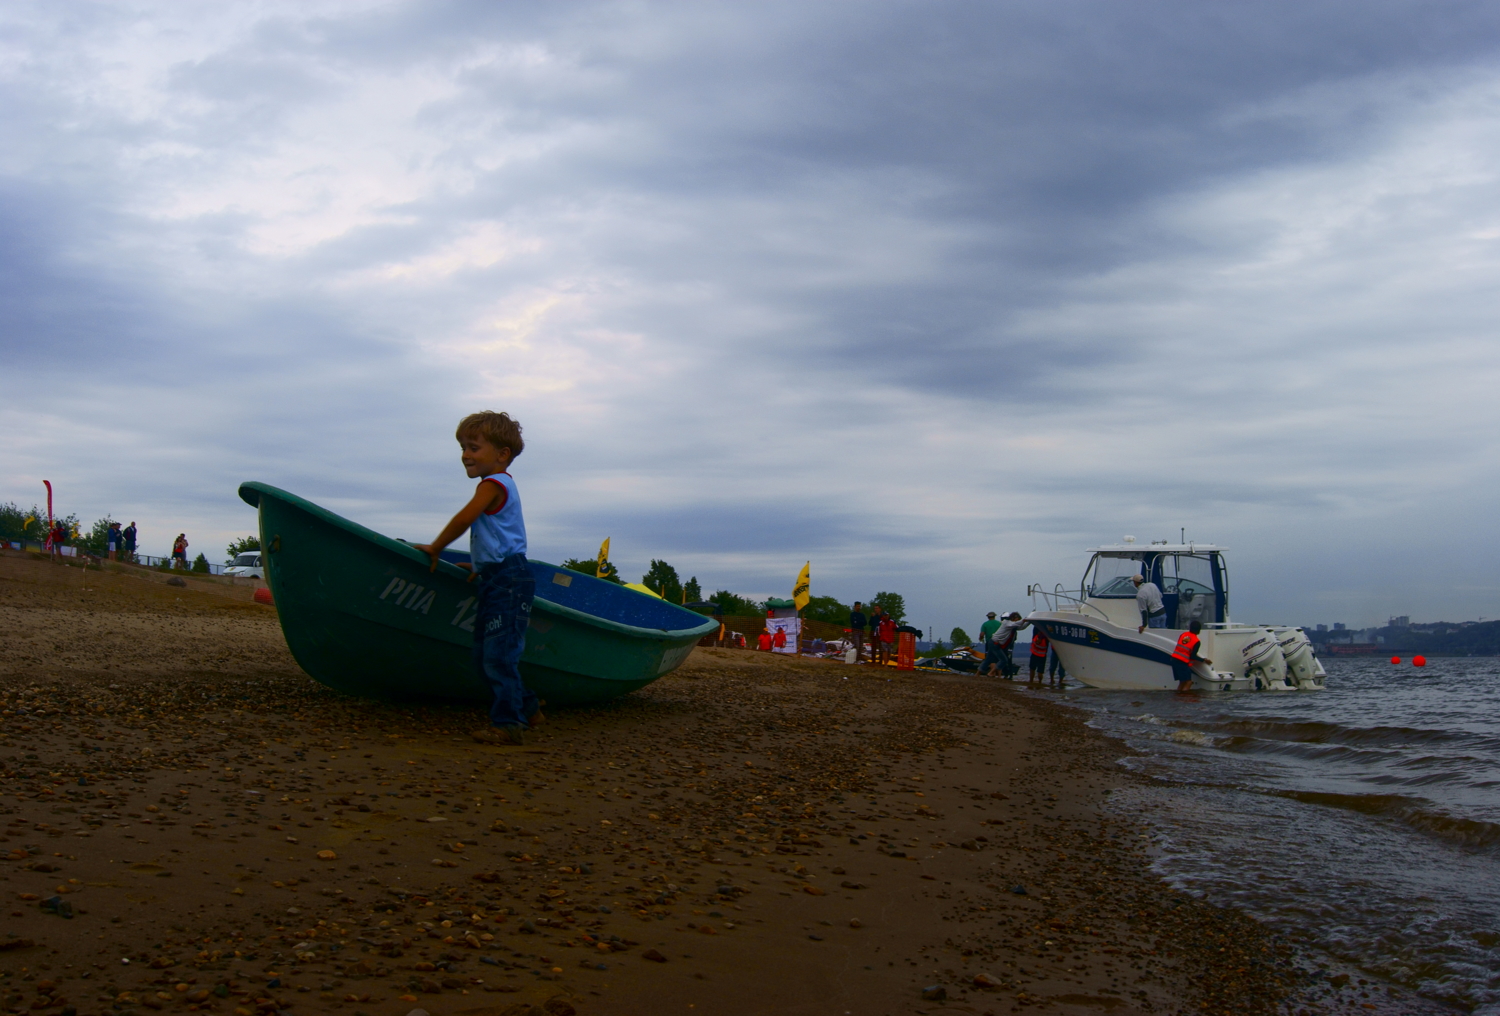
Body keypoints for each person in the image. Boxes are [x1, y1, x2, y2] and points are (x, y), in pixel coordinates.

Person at [416, 411, 537, 747]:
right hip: (498, 574)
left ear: (502, 455)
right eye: (463, 447)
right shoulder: (500, 485)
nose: (465, 454)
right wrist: (479, 566)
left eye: (473, 447)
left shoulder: (494, 484)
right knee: (485, 655)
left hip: (509, 579)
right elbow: (500, 537)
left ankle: (509, 723)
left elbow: (467, 518)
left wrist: (436, 546)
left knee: (499, 655)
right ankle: (529, 707)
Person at [1170, 620, 1212, 692]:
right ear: (1199, 630)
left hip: (1174, 659)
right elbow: (1192, 656)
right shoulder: (1196, 641)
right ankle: (1184, 698)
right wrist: (1204, 660)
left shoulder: (1183, 635)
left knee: (1182, 681)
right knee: (1188, 682)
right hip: (1182, 662)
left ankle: (1178, 697)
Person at [989, 612, 1030, 679]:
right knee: (1003, 660)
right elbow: (1016, 623)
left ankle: (991, 673)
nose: (1018, 620)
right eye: (1017, 619)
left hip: (1001, 644)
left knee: (1000, 659)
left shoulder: (1012, 625)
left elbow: (1021, 627)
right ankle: (991, 673)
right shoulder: (1007, 623)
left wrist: (1029, 622)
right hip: (995, 643)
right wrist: (1024, 620)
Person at [980, 611, 1004, 677]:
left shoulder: (985, 624)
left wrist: (980, 638)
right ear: (994, 616)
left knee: (991, 658)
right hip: (998, 641)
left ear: (988, 617)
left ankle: (992, 673)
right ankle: (999, 675)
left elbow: (982, 634)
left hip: (989, 642)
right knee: (999, 658)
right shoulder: (999, 623)